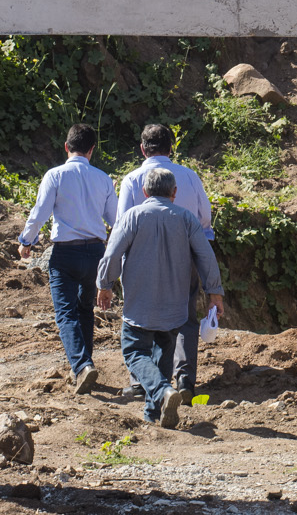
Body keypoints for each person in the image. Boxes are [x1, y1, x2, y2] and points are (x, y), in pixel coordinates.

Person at [96, 167, 224, 429]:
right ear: (174, 193)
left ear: (144, 192)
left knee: (134, 352)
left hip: (139, 305)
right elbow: (206, 257)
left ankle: (163, 391)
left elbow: (112, 254)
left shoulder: (133, 217)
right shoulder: (187, 219)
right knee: (165, 352)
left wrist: (105, 284)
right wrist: (214, 293)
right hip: (174, 305)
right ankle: (155, 413)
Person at [115, 123, 213, 399]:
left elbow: (121, 224)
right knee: (185, 317)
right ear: (172, 147)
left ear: (142, 149)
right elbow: (205, 219)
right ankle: (184, 381)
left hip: (142, 258)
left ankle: (143, 382)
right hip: (185, 256)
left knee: (140, 319)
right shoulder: (189, 177)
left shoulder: (133, 180)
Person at [17, 123, 116, 393]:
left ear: (66, 147)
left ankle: (82, 366)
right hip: (96, 252)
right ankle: (86, 365)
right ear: (92, 150)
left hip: (65, 252)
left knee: (65, 313)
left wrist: (27, 241)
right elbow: (116, 220)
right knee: (85, 310)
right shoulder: (103, 179)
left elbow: (40, 213)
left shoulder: (55, 175)